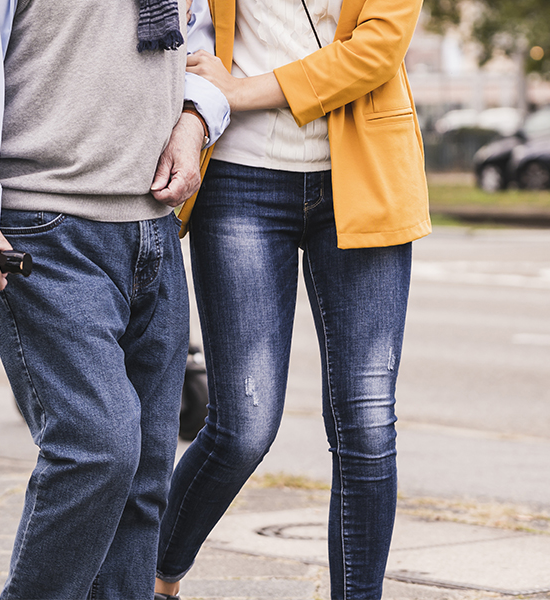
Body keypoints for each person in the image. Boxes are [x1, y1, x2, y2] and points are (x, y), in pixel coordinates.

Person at [0, 0, 229, 597]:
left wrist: (194, 122)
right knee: (98, 448)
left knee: (143, 474)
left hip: (150, 226)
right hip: (45, 223)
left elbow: (199, 44)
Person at [154, 0, 429, 598]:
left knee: (368, 421)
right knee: (243, 427)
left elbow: (377, 51)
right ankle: (153, 577)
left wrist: (242, 90)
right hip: (240, 180)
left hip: (363, 175)